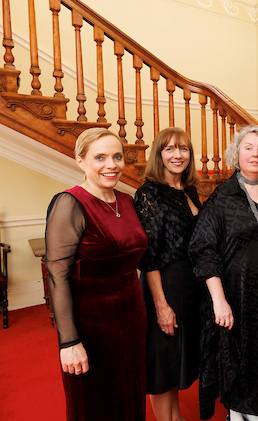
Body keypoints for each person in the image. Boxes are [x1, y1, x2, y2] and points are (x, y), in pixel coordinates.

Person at [45, 128, 147, 420]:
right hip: (92, 325)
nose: (111, 165)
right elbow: (58, 276)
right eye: (100, 157)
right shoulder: (70, 203)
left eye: (117, 156)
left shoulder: (127, 201)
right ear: (81, 161)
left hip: (131, 318)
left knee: (130, 397)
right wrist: (68, 342)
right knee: (95, 404)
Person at [188, 125, 258, 421]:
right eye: (248, 148)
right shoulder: (222, 196)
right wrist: (219, 300)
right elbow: (203, 249)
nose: (255, 154)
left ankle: (250, 412)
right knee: (235, 354)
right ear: (237, 154)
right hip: (234, 293)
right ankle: (239, 411)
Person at [134, 127, 202, 421]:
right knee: (161, 364)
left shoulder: (189, 190)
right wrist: (161, 306)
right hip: (163, 286)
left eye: (183, 148)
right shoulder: (149, 193)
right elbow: (148, 258)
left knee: (176, 361)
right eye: (170, 149)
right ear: (159, 154)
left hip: (190, 288)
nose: (178, 155)